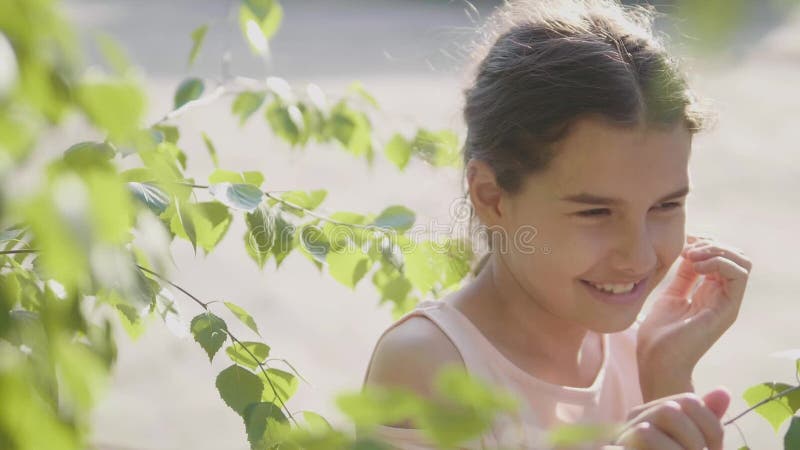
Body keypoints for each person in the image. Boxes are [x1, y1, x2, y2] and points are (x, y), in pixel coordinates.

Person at [361, 0, 753, 448]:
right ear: (492, 198)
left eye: (665, 206)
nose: (639, 256)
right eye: (596, 212)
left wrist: (666, 375)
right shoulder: (430, 364)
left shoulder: (635, 349)